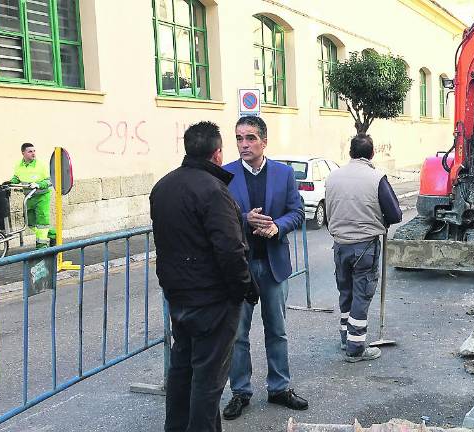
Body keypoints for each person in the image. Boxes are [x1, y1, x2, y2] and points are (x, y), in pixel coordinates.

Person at [150, 121, 259, 432]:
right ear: (218, 154)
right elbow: (230, 250)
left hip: (179, 297)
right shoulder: (214, 191)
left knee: (182, 373)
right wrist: (243, 289)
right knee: (208, 384)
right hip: (212, 301)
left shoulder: (163, 187)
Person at [222, 115, 307, 420]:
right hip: (240, 267)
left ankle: (279, 388)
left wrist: (277, 227)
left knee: (277, 330)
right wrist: (245, 219)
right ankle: (240, 392)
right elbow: (218, 218)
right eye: (239, 139)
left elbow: (297, 212)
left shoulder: (284, 174)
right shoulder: (226, 175)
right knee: (238, 334)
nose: (244, 144)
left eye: (250, 138)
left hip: (273, 265)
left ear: (264, 141)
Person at [324, 134, 402, 362]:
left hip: (340, 245)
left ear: (350, 153)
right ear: (372, 154)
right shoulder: (376, 178)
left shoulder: (333, 177)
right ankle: (356, 348)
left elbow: (329, 212)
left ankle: (345, 337)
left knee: (345, 292)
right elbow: (396, 214)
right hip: (364, 246)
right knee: (361, 295)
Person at [7, 143, 52, 249]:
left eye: (34, 151)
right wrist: (10, 182)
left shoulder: (41, 165)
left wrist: (38, 184)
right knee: (30, 222)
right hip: (29, 197)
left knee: (42, 223)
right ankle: (52, 234)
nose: (33, 153)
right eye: (30, 151)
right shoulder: (19, 165)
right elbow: (16, 177)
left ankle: (41, 247)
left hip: (42, 197)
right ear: (23, 153)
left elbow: (50, 181)